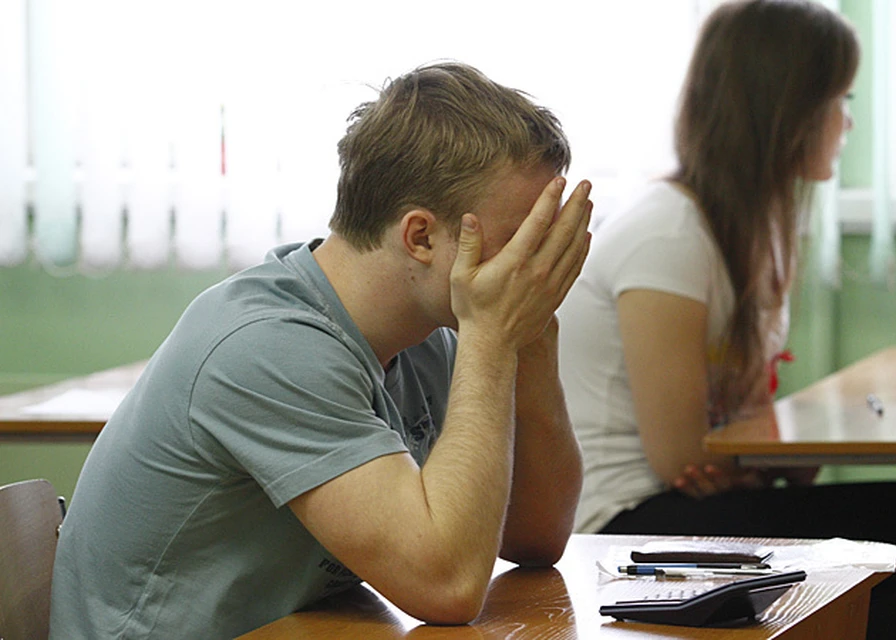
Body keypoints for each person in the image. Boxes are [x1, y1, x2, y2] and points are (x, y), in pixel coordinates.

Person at [49, 62, 592, 639]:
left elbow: (536, 536)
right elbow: (447, 585)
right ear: (420, 237)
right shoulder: (268, 346)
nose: (534, 267)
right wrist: (493, 339)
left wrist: (527, 341)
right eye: (522, 241)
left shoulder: (430, 336)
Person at [556, 2, 896, 639]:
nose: (847, 123)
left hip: (670, 502)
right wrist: (755, 465)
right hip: (618, 523)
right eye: (837, 100)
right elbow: (680, 454)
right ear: (786, 114)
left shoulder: (749, 231)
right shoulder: (670, 231)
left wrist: (759, 466)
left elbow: (740, 440)